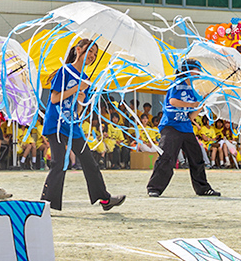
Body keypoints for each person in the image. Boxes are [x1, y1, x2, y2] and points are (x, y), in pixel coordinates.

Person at [39, 38, 125, 212]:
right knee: (59, 162)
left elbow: (77, 109)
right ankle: (46, 204)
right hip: (56, 123)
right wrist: (76, 88)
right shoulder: (65, 71)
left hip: (72, 125)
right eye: (89, 51)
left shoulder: (85, 79)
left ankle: (104, 198)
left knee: (89, 161)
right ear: (78, 50)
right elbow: (54, 98)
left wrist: (80, 100)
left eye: (95, 53)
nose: (92, 55)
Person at [146, 60, 221, 197]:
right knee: (167, 156)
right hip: (171, 126)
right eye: (196, 69)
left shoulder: (193, 89)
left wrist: (201, 104)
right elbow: (173, 101)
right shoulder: (177, 84)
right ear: (188, 70)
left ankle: (203, 188)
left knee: (197, 156)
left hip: (185, 127)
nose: (199, 72)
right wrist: (192, 104)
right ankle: (154, 188)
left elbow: (191, 116)